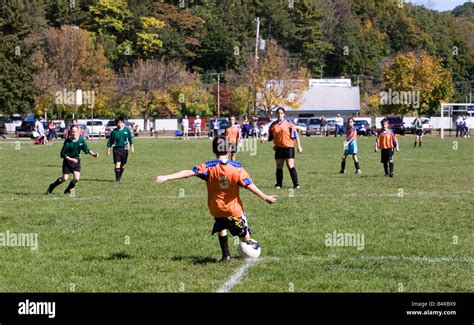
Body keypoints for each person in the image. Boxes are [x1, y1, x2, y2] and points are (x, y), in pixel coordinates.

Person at [155, 136, 276, 262]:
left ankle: (225, 256)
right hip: (233, 210)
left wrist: (167, 177)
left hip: (216, 208)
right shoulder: (237, 167)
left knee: (221, 225)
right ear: (229, 150)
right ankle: (247, 242)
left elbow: (188, 173)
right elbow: (249, 185)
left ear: (214, 150)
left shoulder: (208, 166)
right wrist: (265, 197)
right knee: (245, 237)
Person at [46, 125, 99, 195]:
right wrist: (71, 159)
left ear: (78, 132)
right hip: (67, 161)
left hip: (76, 161)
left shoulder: (81, 140)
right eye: (72, 132)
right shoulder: (67, 141)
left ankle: (67, 190)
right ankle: (52, 186)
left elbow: (86, 149)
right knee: (65, 178)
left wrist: (93, 154)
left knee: (76, 179)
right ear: (70, 132)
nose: (74, 133)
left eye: (75, 131)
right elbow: (62, 154)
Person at [263, 107, 302, 189]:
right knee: (279, 166)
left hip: (289, 147)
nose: (279, 115)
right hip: (279, 148)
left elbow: (295, 135)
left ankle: (296, 184)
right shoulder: (273, 125)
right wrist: (264, 139)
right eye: (278, 113)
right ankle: (279, 184)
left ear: (284, 114)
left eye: (281, 113)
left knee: (290, 165)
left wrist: (299, 146)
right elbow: (270, 137)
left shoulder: (289, 123)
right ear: (276, 114)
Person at [106, 117, 135, 182]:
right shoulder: (114, 131)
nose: (119, 124)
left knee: (123, 164)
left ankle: (119, 176)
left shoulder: (126, 130)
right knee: (117, 163)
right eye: (118, 122)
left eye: (121, 122)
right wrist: (108, 150)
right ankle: (117, 180)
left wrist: (132, 147)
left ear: (123, 123)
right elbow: (110, 141)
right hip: (116, 149)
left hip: (125, 149)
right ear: (116, 123)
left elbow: (130, 139)